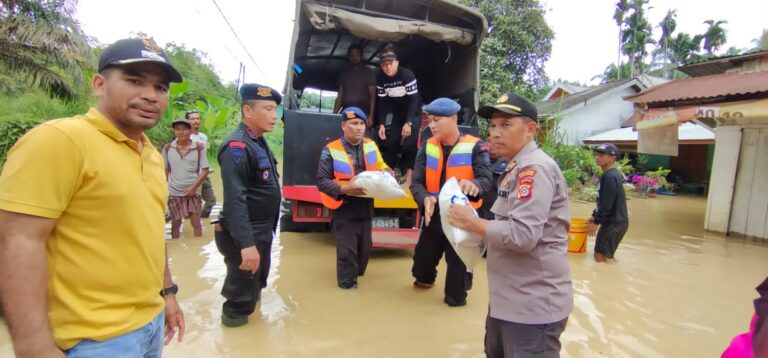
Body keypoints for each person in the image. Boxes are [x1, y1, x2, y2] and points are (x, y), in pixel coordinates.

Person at [0, 38, 185, 357]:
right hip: (93, 340)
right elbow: (16, 241)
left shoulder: (152, 155)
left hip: (150, 323)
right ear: (99, 84)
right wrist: (33, 345)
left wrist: (167, 293)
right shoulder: (60, 141)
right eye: (134, 80)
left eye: (161, 87)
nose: (150, 95)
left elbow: (153, 233)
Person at [448, 92, 573, 357]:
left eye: (505, 125)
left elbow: (521, 236)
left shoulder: (534, 169)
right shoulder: (513, 169)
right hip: (508, 303)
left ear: (530, 130)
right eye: (492, 125)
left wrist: (473, 223)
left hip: (532, 309)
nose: (494, 132)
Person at [409, 97, 493, 307]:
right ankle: (426, 280)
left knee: (455, 297)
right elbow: (416, 182)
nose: (432, 124)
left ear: (454, 118)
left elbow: (486, 180)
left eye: (437, 120)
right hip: (434, 217)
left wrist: (474, 184)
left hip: (462, 221)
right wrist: (424, 198)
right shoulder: (426, 147)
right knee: (421, 275)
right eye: (430, 119)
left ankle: (457, 291)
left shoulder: (476, 146)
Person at [215, 83, 282, 328]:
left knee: (255, 287)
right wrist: (246, 245)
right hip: (246, 234)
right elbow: (235, 200)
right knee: (239, 301)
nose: (274, 115)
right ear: (247, 111)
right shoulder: (238, 147)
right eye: (267, 109)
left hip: (261, 232)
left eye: (275, 109)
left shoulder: (258, 141)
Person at [317, 107, 392, 289]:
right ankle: (347, 289)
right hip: (344, 208)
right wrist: (345, 188)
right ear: (343, 125)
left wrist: (388, 172)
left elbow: (382, 165)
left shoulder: (370, 145)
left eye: (361, 124)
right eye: (354, 123)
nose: (359, 128)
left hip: (366, 208)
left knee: (362, 257)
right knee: (347, 256)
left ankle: (354, 280)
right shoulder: (330, 150)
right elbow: (321, 181)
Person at [375, 45, 420, 187]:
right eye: (384, 64)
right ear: (381, 66)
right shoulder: (380, 78)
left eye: (391, 63)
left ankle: (409, 179)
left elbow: (413, 100)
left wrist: (409, 123)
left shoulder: (407, 75)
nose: (388, 67)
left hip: (414, 112)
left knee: (410, 144)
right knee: (390, 142)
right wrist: (381, 123)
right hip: (397, 113)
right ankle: (390, 176)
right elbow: (382, 102)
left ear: (397, 62)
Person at [163, 118, 210, 239]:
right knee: (176, 224)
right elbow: (165, 170)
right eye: (177, 129)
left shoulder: (199, 147)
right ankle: (176, 246)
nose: (181, 132)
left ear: (190, 131)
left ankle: (197, 248)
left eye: (184, 129)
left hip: (193, 191)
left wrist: (193, 187)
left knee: (195, 222)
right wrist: (164, 189)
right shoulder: (168, 148)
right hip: (174, 190)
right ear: (174, 132)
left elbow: (205, 170)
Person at [588, 143, 629, 263]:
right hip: (618, 222)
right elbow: (606, 200)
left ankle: (607, 280)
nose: (598, 157)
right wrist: (594, 214)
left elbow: (607, 204)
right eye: (597, 154)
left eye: (602, 155)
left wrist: (596, 222)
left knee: (599, 256)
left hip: (613, 224)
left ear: (613, 158)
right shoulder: (612, 174)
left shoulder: (609, 177)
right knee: (607, 256)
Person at [333, 44, 376, 127]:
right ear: (349, 57)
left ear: (361, 56)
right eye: (352, 55)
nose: (354, 57)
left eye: (357, 55)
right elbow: (340, 97)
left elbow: (373, 98)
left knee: (358, 133)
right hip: (346, 109)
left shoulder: (368, 73)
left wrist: (371, 116)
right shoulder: (344, 73)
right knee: (343, 130)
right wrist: (333, 115)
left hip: (362, 110)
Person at [186, 110, 217, 218]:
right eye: (192, 119)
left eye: (198, 118)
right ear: (187, 121)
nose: (196, 121)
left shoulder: (203, 137)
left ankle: (201, 221)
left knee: (211, 201)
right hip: (191, 176)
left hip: (204, 174)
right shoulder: (183, 137)